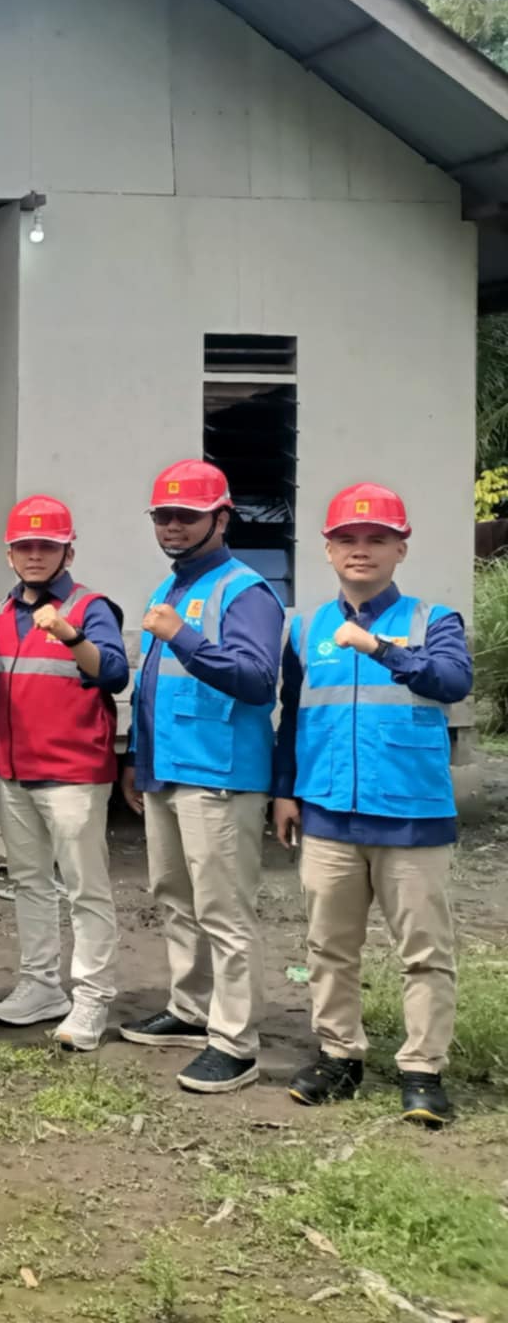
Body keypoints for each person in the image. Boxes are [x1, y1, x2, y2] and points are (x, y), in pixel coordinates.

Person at [274, 484, 471, 1126]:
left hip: (412, 815)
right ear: (329, 550)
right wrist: (285, 792)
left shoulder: (431, 620)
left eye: (377, 539)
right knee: (329, 946)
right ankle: (339, 1055)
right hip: (329, 812)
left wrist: (379, 648)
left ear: (400, 550)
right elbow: (292, 717)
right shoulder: (305, 627)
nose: (361, 550)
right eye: (348, 539)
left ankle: (422, 1069)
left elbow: (452, 681)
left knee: (425, 951)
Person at [119, 460, 285, 1094]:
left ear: (222, 517)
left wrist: (184, 636)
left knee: (224, 910)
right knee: (174, 896)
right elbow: (153, 688)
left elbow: (256, 679)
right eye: (164, 516)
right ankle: (191, 1010)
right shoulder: (171, 587)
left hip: (220, 772)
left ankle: (236, 1043)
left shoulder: (246, 592)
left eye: (187, 516)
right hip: (169, 769)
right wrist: (136, 758)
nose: (173, 526)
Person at [0, 495, 130, 1052]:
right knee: (29, 882)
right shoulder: (3, 611)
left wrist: (70, 634)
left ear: (68, 551)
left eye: (47, 546)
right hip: (13, 772)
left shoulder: (91, 607)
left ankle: (91, 996)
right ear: (10, 554)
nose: (35, 555)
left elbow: (113, 674)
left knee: (85, 888)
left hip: (73, 773)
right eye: (25, 546)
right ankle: (41, 985)